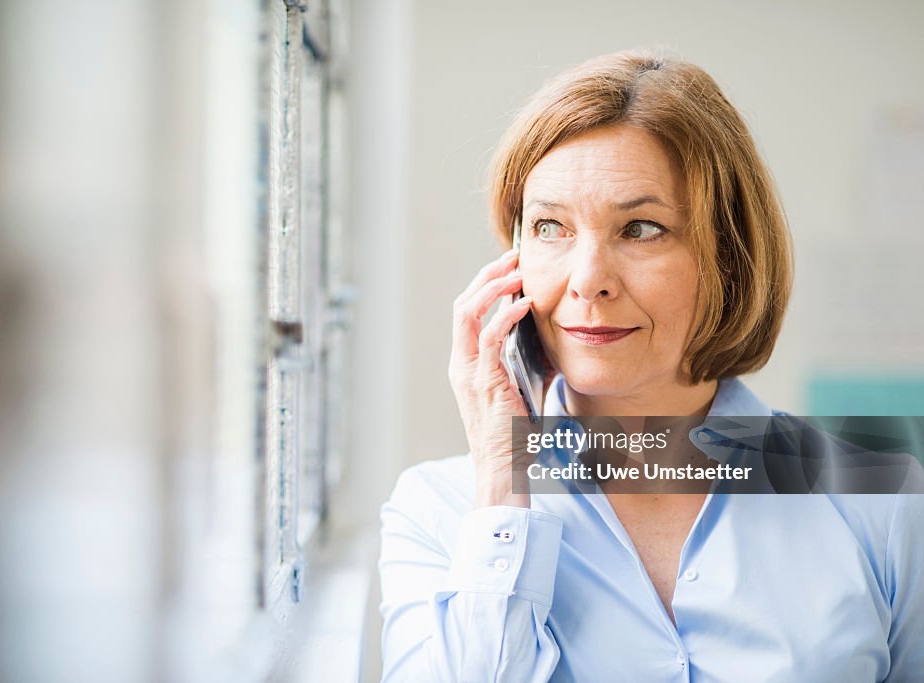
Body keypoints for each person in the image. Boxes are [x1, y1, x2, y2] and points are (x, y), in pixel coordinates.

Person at [378, 49, 924, 682]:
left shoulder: (882, 501)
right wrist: (504, 480)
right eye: (551, 227)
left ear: (729, 257)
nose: (588, 281)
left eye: (640, 229)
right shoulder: (441, 510)